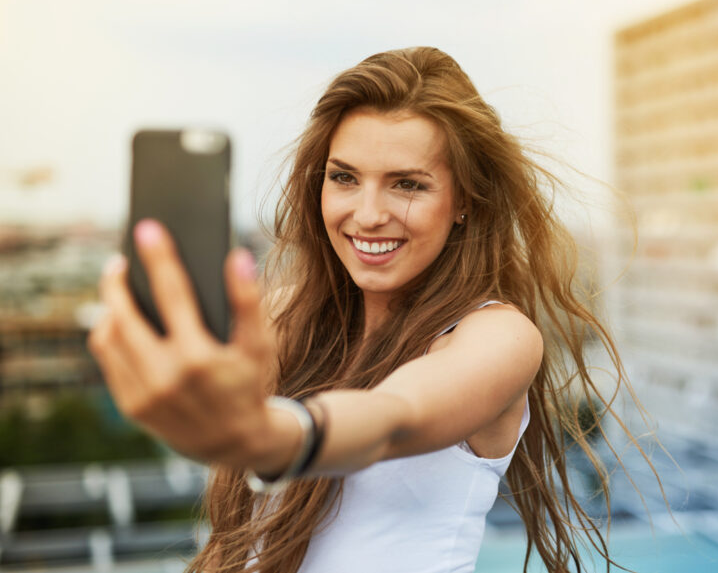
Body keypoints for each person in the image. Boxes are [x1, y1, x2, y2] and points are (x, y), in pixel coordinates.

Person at [88, 47, 647, 573]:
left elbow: (393, 419)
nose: (368, 213)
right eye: (344, 178)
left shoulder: (498, 335)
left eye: (407, 184)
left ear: (464, 204)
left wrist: (267, 438)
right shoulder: (285, 315)